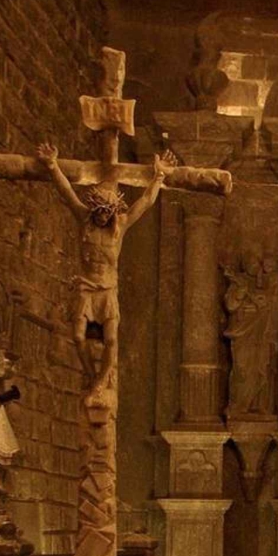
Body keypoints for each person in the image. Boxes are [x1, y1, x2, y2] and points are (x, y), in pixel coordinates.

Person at [37, 141, 173, 394]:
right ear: (93, 210)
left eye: (106, 214)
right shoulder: (84, 220)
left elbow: (145, 202)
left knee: (111, 340)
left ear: (112, 213)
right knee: (78, 336)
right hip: (87, 287)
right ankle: (92, 376)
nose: (102, 217)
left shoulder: (119, 227)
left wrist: (159, 176)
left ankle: (102, 379)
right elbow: (67, 192)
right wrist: (52, 165)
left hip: (107, 288)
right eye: (99, 213)